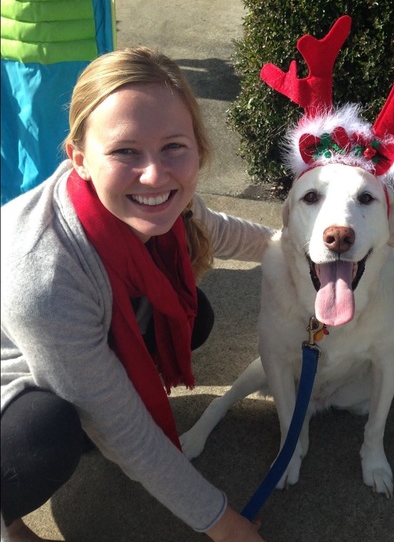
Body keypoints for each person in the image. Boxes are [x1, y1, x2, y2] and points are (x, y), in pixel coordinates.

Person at [0, 46, 272, 541]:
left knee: (193, 316)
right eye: (125, 151)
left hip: (61, 350)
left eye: (173, 146)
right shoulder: (42, 276)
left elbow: (224, 232)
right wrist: (223, 523)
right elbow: (123, 430)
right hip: (12, 378)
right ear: (80, 159)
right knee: (45, 435)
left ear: (197, 147)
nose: (154, 175)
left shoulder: (166, 201)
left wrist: (304, 249)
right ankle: (8, 522)